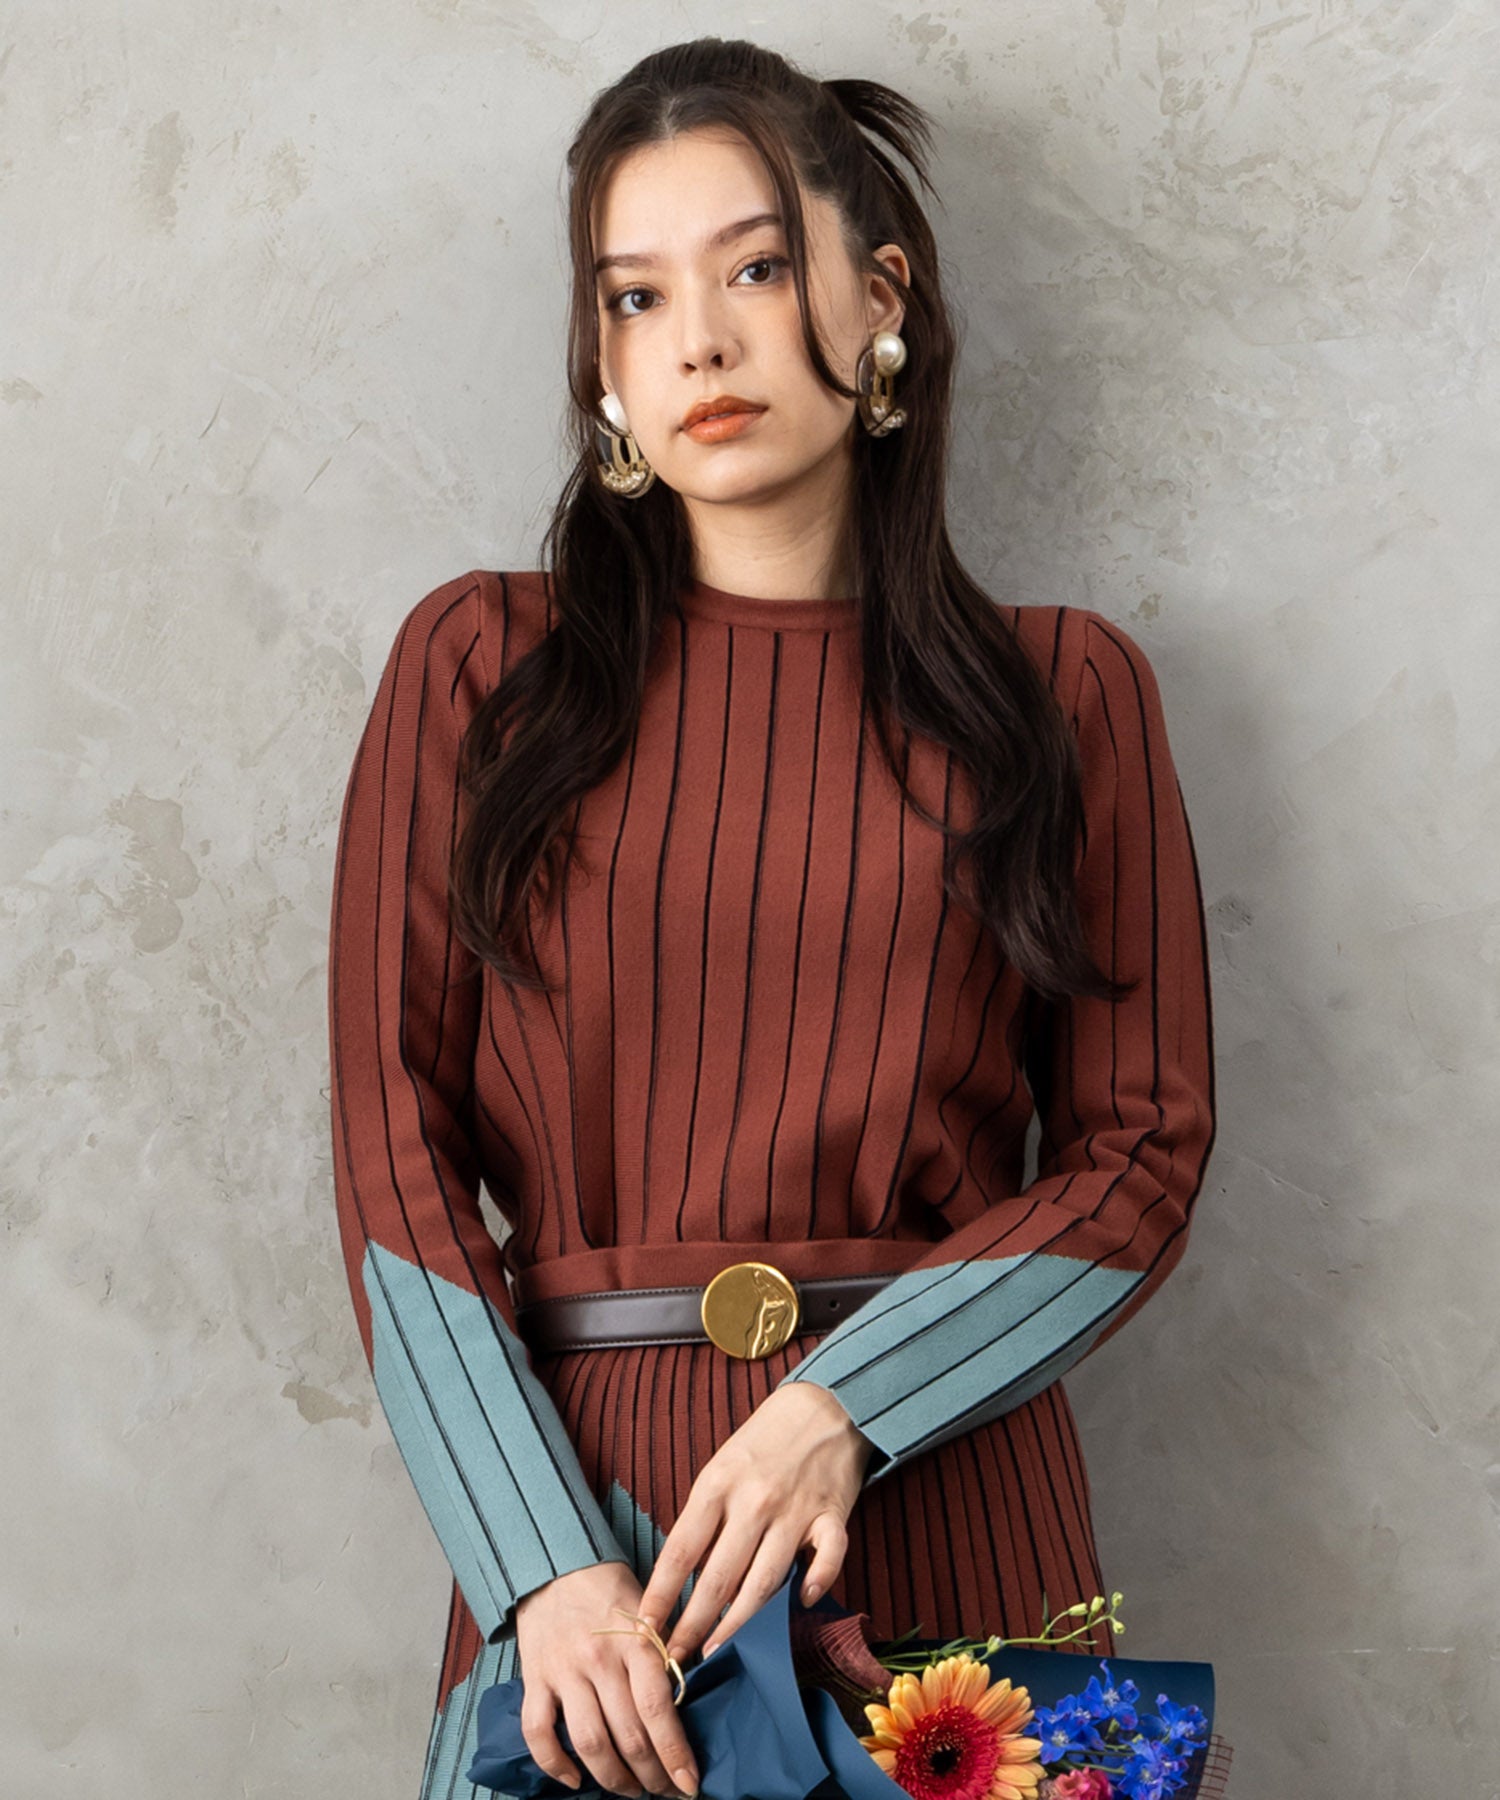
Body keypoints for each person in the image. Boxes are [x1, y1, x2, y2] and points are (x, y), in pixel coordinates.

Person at [325, 36, 1216, 1800]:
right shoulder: (478, 670)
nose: (699, 343)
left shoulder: (1068, 694)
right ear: (602, 362)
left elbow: (1143, 1150)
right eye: (635, 297)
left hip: (956, 1508)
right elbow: (390, 1155)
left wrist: (845, 1408)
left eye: (752, 269)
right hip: (593, 1561)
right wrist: (537, 1563)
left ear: (881, 299)